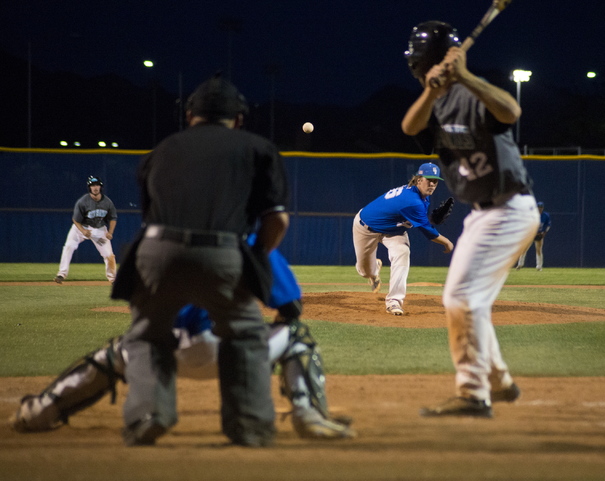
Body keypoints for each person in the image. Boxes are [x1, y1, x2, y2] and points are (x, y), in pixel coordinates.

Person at [110, 75, 290, 447]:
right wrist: (255, 259)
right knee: (245, 333)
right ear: (238, 119)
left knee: (145, 335)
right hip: (223, 251)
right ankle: (250, 426)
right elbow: (276, 220)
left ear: (189, 115)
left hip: (156, 250)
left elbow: (151, 217)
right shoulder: (258, 147)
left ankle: (148, 414)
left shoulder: (162, 150)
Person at [8, 248, 356, 440]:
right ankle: (307, 413)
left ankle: (40, 410)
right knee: (297, 336)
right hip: (227, 352)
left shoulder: (153, 235)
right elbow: (291, 308)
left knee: (112, 353)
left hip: (155, 354)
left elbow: (133, 301)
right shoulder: (244, 232)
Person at [401, 21, 539, 417]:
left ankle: (473, 393)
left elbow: (511, 110)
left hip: (510, 208)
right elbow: (410, 126)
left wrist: (464, 76)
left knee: (461, 298)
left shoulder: (472, 93)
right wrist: (433, 88)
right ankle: (498, 381)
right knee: (466, 300)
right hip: (482, 215)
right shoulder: (434, 104)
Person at [353, 162, 454, 316]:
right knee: (365, 272)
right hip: (366, 227)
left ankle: (394, 301)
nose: (433, 184)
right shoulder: (412, 200)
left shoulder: (421, 196)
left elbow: (412, 219)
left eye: (435, 181)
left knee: (402, 252)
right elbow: (428, 232)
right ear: (419, 180)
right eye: (429, 180)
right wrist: (447, 242)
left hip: (394, 231)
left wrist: (430, 221)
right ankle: (374, 272)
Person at [54, 176, 117, 284]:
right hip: (81, 229)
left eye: (97, 185)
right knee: (69, 246)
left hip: (99, 230)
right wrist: (83, 231)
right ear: (89, 188)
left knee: (108, 254)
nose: (95, 187)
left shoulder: (107, 202)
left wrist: (110, 232)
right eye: (92, 185)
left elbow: (113, 218)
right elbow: (75, 219)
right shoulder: (83, 201)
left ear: (100, 187)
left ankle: (113, 279)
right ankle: (61, 274)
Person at [516, 202, 551, 271]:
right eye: (538, 208)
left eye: (541, 208)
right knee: (524, 249)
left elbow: (548, 225)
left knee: (539, 250)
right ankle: (520, 264)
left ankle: (539, 267)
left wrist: (544, 233)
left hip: (539, 234)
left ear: (543, 208)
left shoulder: (545, 215)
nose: (539, 209)